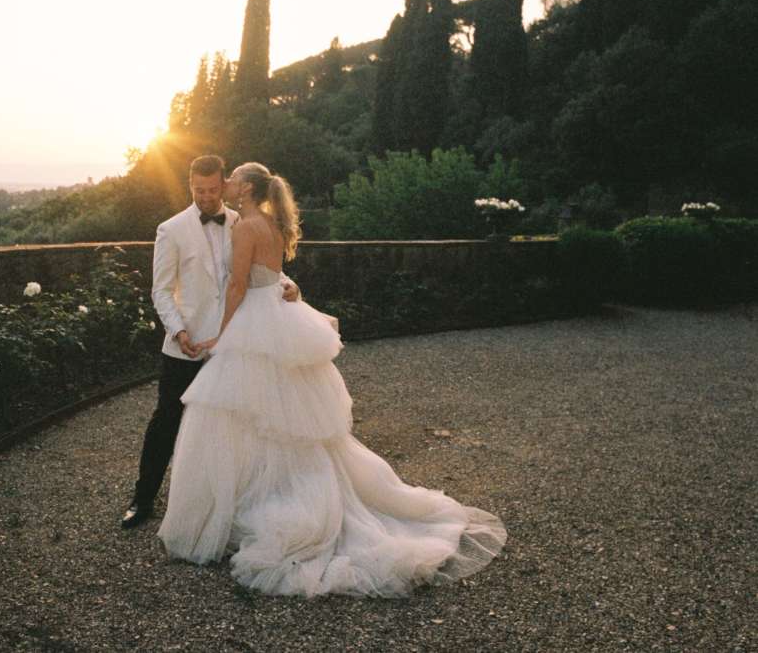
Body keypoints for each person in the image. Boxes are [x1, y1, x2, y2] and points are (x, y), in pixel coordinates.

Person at [157, 162, 508, 597]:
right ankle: (266, 492)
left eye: (232, 180)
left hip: (253, 321)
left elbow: (238, 287)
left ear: (244, 189)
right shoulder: (270, 222)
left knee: (252, 415)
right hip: (275, 318)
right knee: (280, 416)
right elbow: (270, 276)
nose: (224, 186)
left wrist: (221, 335)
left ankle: (262, 500)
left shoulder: (244, 226)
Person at [122, 155, 299, 529]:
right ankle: (143, 497)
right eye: (198, 190)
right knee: (166, 419)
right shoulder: (170, 229)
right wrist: (178, 331)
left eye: (212, 190)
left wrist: (290, 285)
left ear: (225, 186)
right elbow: (161, 290)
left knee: (233, 425)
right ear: (190, 186)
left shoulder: (242, 220)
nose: (205, 197)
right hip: (188, 343)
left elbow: (264, 271)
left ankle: (223, 504)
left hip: (236, 341)